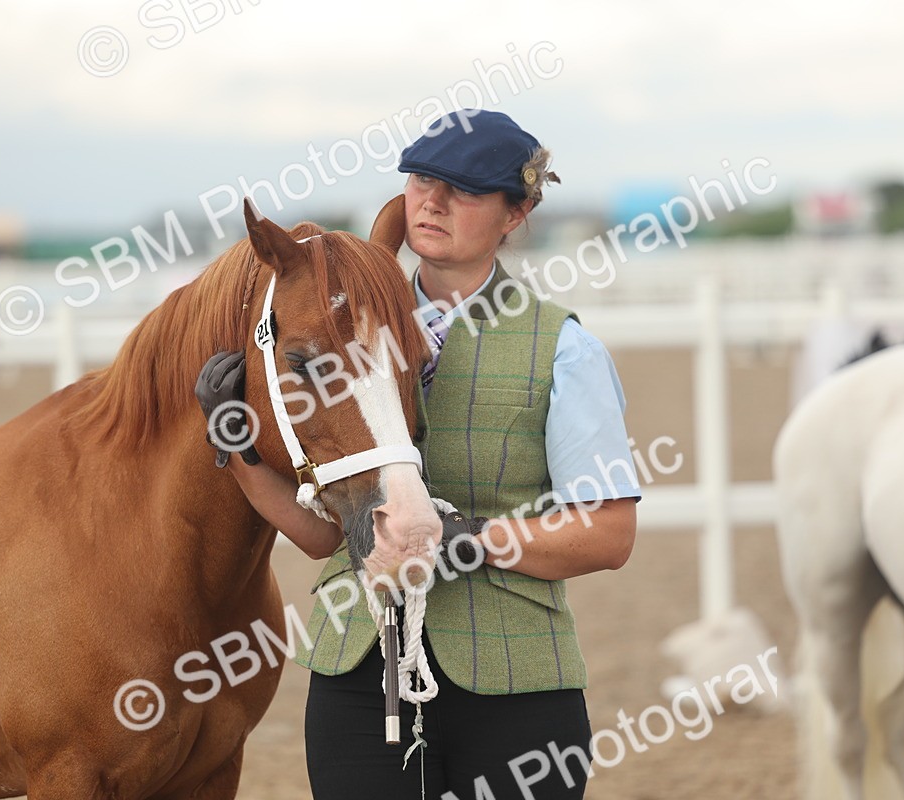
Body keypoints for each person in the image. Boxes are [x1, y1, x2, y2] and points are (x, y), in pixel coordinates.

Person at [197, 109, 641, 799]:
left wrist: (476, 542)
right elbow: (323, 539)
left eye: (463, 189)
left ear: (515, 213)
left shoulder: (564, 349)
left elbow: (610, 533)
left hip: (515, 685)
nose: (431, 202)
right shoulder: (343, 333)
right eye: (421, 180)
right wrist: (241, 452)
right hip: (356, 678)